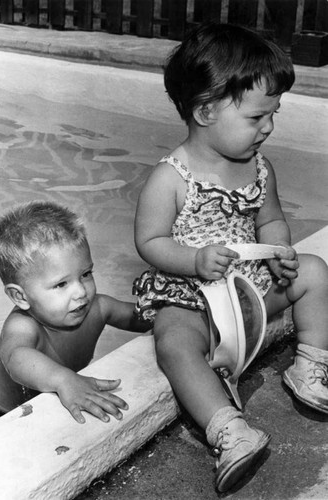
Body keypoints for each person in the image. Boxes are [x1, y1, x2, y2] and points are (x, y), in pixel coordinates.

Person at [133, 22, 328, 492]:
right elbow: (151, 242)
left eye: (273, 114)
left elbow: (272, 221)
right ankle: (228, 428)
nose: (270, 127)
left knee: (315, 271)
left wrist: (280, 251)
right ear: (205, 111)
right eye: (257, 117)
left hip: (249, 288)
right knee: (174, 342)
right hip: (193, 293)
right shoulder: (171, 177)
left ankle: (312, 364)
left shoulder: (262, 168)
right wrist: (195, 259)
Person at [0, 201, 150, 425]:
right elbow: (16, 359)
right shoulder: (23, 326)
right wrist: (64, 380)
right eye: (61, 284)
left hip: (63, 391)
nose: (81, 292)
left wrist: (158, 308)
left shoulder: (98, 307)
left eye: (86, 274)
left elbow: (140, 318)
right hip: (4, 411)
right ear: (20, 297)